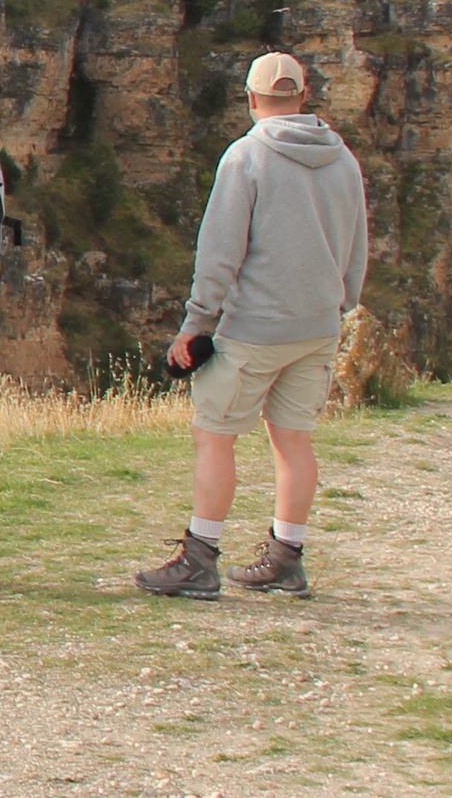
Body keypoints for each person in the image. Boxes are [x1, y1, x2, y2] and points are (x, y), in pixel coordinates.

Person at [138, 51, 371, 600]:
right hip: (318, 326)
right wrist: (341, 306)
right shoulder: (344, 161)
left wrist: (196, 324)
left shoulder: (246, 157)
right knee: (294, 440)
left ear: (250, 98)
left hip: (255, 328)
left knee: (214, 436)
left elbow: (220, 252)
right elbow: (358, 245)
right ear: (305, 95)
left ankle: (199, 559)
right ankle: (286, 559)